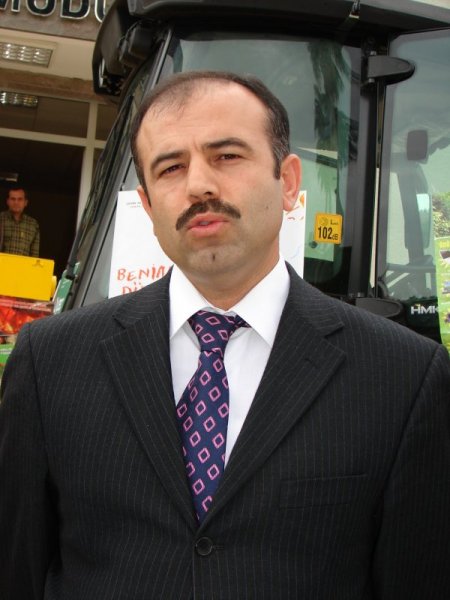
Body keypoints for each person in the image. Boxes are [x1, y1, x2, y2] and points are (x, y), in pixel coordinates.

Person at [1, 71, 450, 600]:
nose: (198, 185)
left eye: (227, 156)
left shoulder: (404, 376)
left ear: (288, 182)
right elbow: (17, 570)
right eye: (171, 167)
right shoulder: (50, 361)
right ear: (149, 207)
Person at [0, 186, 40, 257]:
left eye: (20, 199)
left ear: (25, 202)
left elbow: (34, 255)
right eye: (13, 199)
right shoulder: (1, 218)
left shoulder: (33, 224)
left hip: (24, 264)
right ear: (7, 201)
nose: (16, 202)